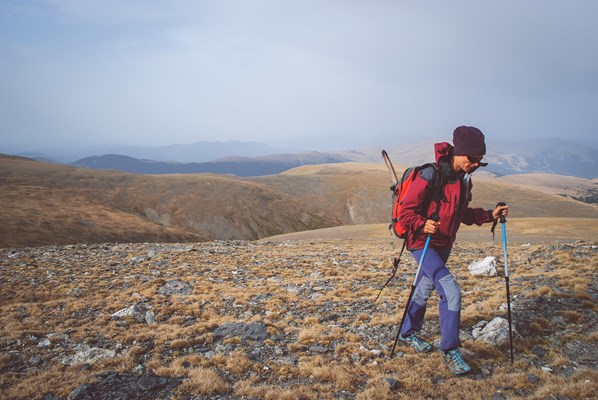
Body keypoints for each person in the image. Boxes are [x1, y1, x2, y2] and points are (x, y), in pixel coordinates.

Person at [397, 125, 508, 375]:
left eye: (480, 161)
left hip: (443, 245)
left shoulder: (464, 182)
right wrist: (422, 224)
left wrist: (490, 215)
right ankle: (450, 350)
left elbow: (462, 214)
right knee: (452, 292)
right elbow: (406, 212)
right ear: (458, 152)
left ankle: (408, 332)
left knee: (424, 288)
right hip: (421, 243)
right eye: (472, 159)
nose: (476, 164)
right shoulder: (431, 175)